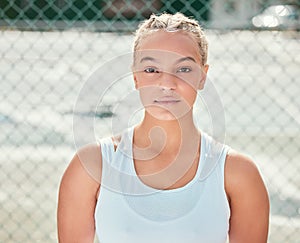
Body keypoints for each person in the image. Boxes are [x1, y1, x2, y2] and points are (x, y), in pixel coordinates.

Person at [57, 12, 269, 243]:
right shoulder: (93, 166)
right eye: (151, 70)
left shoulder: (238, 173)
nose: (167, 83)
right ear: (135, 77)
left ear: (202, 76)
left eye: (183, 69)